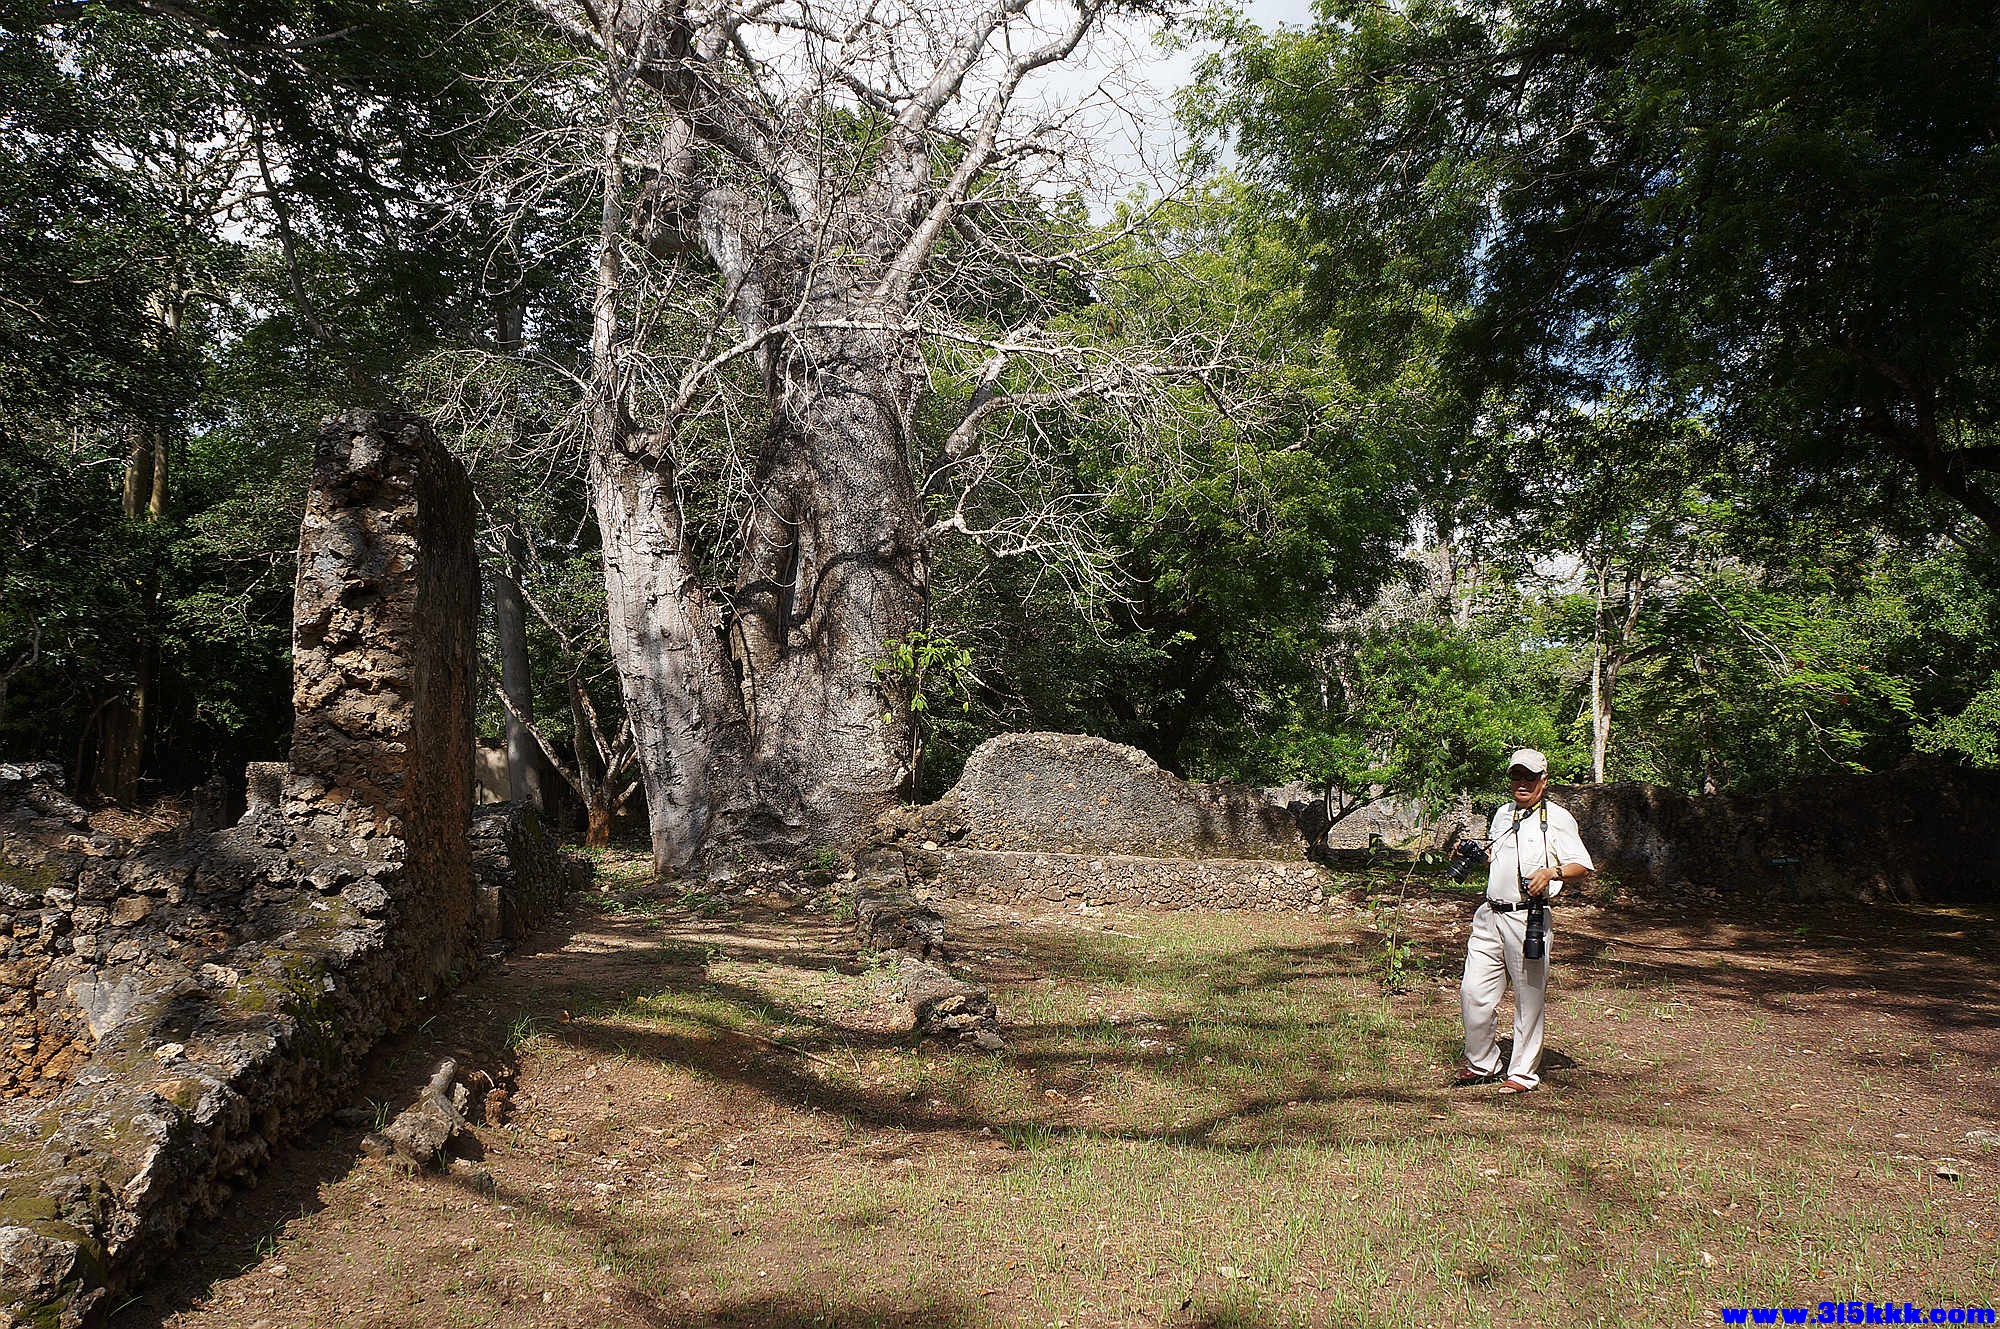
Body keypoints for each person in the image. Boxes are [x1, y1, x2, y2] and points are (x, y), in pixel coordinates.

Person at [1453, 748, 1593, 1094]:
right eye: (1516, 776)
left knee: (1528, 998)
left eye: (1529, 777)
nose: (1522, 783)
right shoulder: (1503, 814)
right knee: (1473, 992)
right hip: (1489, 915)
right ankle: (1482, 1062)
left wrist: (1551, 872)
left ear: (1543, 780)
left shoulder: (1557, 818)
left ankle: (1523, 1073)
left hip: (1528, 917)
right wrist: (1474, 854)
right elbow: (1497, 857)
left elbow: (1582, 866)